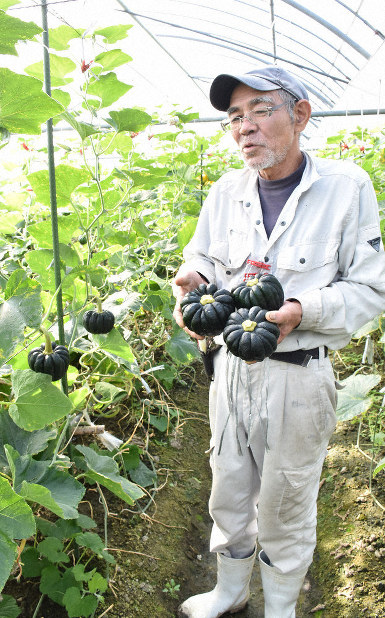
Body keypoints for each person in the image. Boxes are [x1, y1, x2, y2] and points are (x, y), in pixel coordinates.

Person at [172, 65, 385, 618]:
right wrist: (191, 285)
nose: (246, 127)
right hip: (231, 372)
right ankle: (230, 590)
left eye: (261, 110)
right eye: (235, 117)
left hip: (298, 374)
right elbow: (199, 260)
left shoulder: (346, 187)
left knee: (287, 499)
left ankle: (282, 605)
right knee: (228, 490)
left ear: (301, 114)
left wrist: (301, 311)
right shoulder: (224, 192)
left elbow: (371, 289)